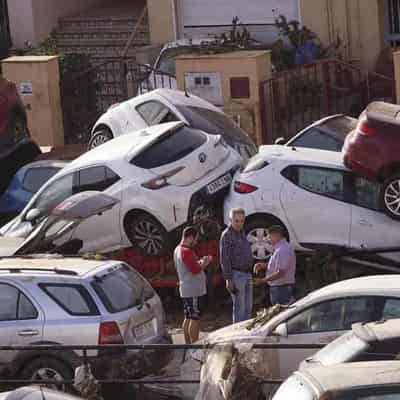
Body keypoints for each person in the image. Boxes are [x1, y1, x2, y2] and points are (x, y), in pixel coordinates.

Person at [174, 226, 212, 343]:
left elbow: (189, 267)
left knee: (188, 316)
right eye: (195, 239)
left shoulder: (178, 249)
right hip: (193, 290)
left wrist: (199, 261)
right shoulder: (186, 251)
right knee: (194, 317)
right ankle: (195, 345)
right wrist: (205, 263)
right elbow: (195, 270)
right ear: (190, 237)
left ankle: (187, 343)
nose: (196, 242)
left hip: (185, 288)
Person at [220, 208, 254, 323]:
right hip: (236, 274)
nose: (239, 224)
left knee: (248, 307)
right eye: (236, 221)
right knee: (240, 307)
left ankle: (247, 334)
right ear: (230, 220)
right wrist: (228, 279)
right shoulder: (226, 235)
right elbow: (224, 258)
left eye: (242, 221)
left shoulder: (241, 232)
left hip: (247, 273)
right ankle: (238, 335)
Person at [254, 225, 296, 306]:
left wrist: (263, 280)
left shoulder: (283, 249)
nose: (269, 240)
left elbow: (281, 272)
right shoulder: (281, 248)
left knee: (281, 315)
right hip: (280, 288)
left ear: (276, 236)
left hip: (281, 289)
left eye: (270, 237)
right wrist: (263, 265)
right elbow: (278, 266)